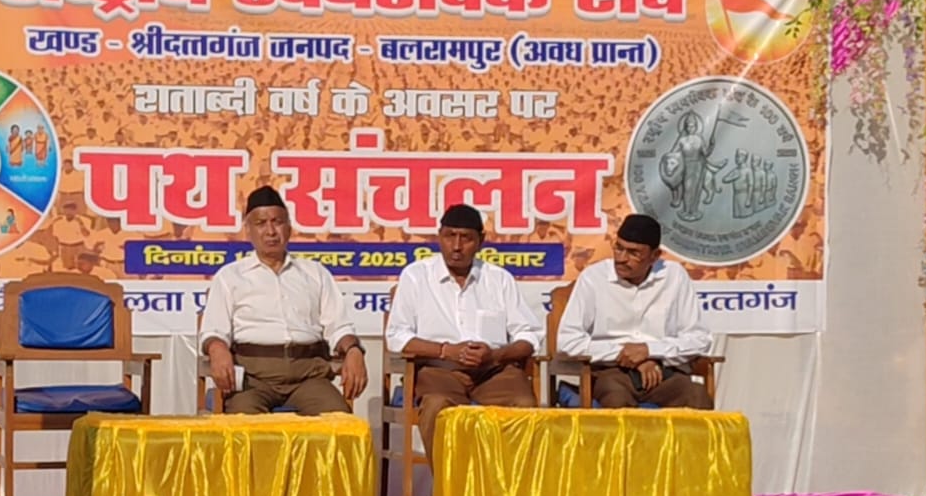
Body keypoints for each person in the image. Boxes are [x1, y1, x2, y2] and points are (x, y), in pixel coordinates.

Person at [385, 204, 543, 462]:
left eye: (466, 238)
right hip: (439, 371)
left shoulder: (499, 279)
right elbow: (397, 337)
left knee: (524, 405)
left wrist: (495, 354)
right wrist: (447, 351)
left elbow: (529, 335)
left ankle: (512, 493)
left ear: (481, 241)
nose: (456, 246)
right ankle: (451, 493)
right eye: (450, 236)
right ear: (440, 237)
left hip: (493, 371)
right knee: (436, 406)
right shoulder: (415, 276)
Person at [199, 186, 366, 414]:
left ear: (289, 228)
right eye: (261, 223)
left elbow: (339, 326)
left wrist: (354, 350)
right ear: (248, 230)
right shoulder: (230, 277)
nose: (270, 231)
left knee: (338, 423)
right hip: (253, 379)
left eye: (277, 222)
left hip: (308, 377)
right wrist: (218, 350)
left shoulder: (314, 273)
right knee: (245, 429)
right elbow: (213, 332)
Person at [555, 214, 714, 409]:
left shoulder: (675, 277)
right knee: (617, 400)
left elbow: (699, 339)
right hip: (611, 372)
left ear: (655, 256)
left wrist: (650, 351)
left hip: (664, 372)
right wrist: (624, 354)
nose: (621, 259)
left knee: (697, 397)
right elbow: (568, 341)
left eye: (633, 253)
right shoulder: (593, 278)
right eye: (619, 248)